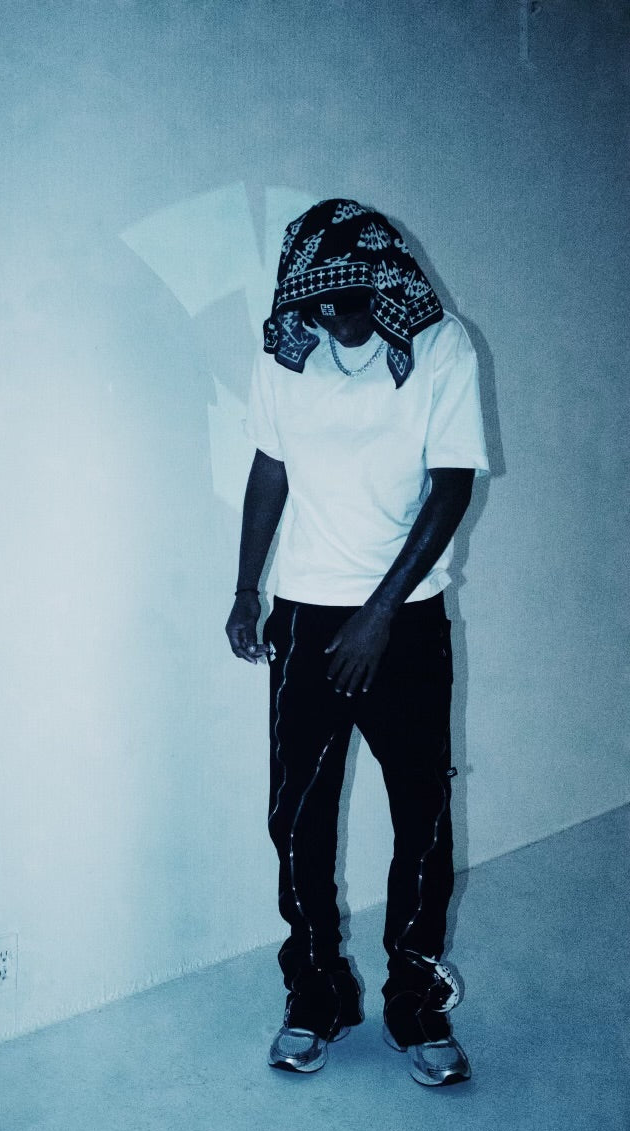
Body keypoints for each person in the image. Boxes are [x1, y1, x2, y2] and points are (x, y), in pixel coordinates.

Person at [225, 198, 489, 1086]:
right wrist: (246, 588)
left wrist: (379, 613)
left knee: (422, 817)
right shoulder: (285, 352)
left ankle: (416, 1004)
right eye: (321, 304)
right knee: (295, 817)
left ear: (384, 280)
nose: (337, 320)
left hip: (404, 621)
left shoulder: (441, 347)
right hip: (305, 616)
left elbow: (451, 485)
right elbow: (270, 466)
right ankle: (316, 996)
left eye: (351, 301)